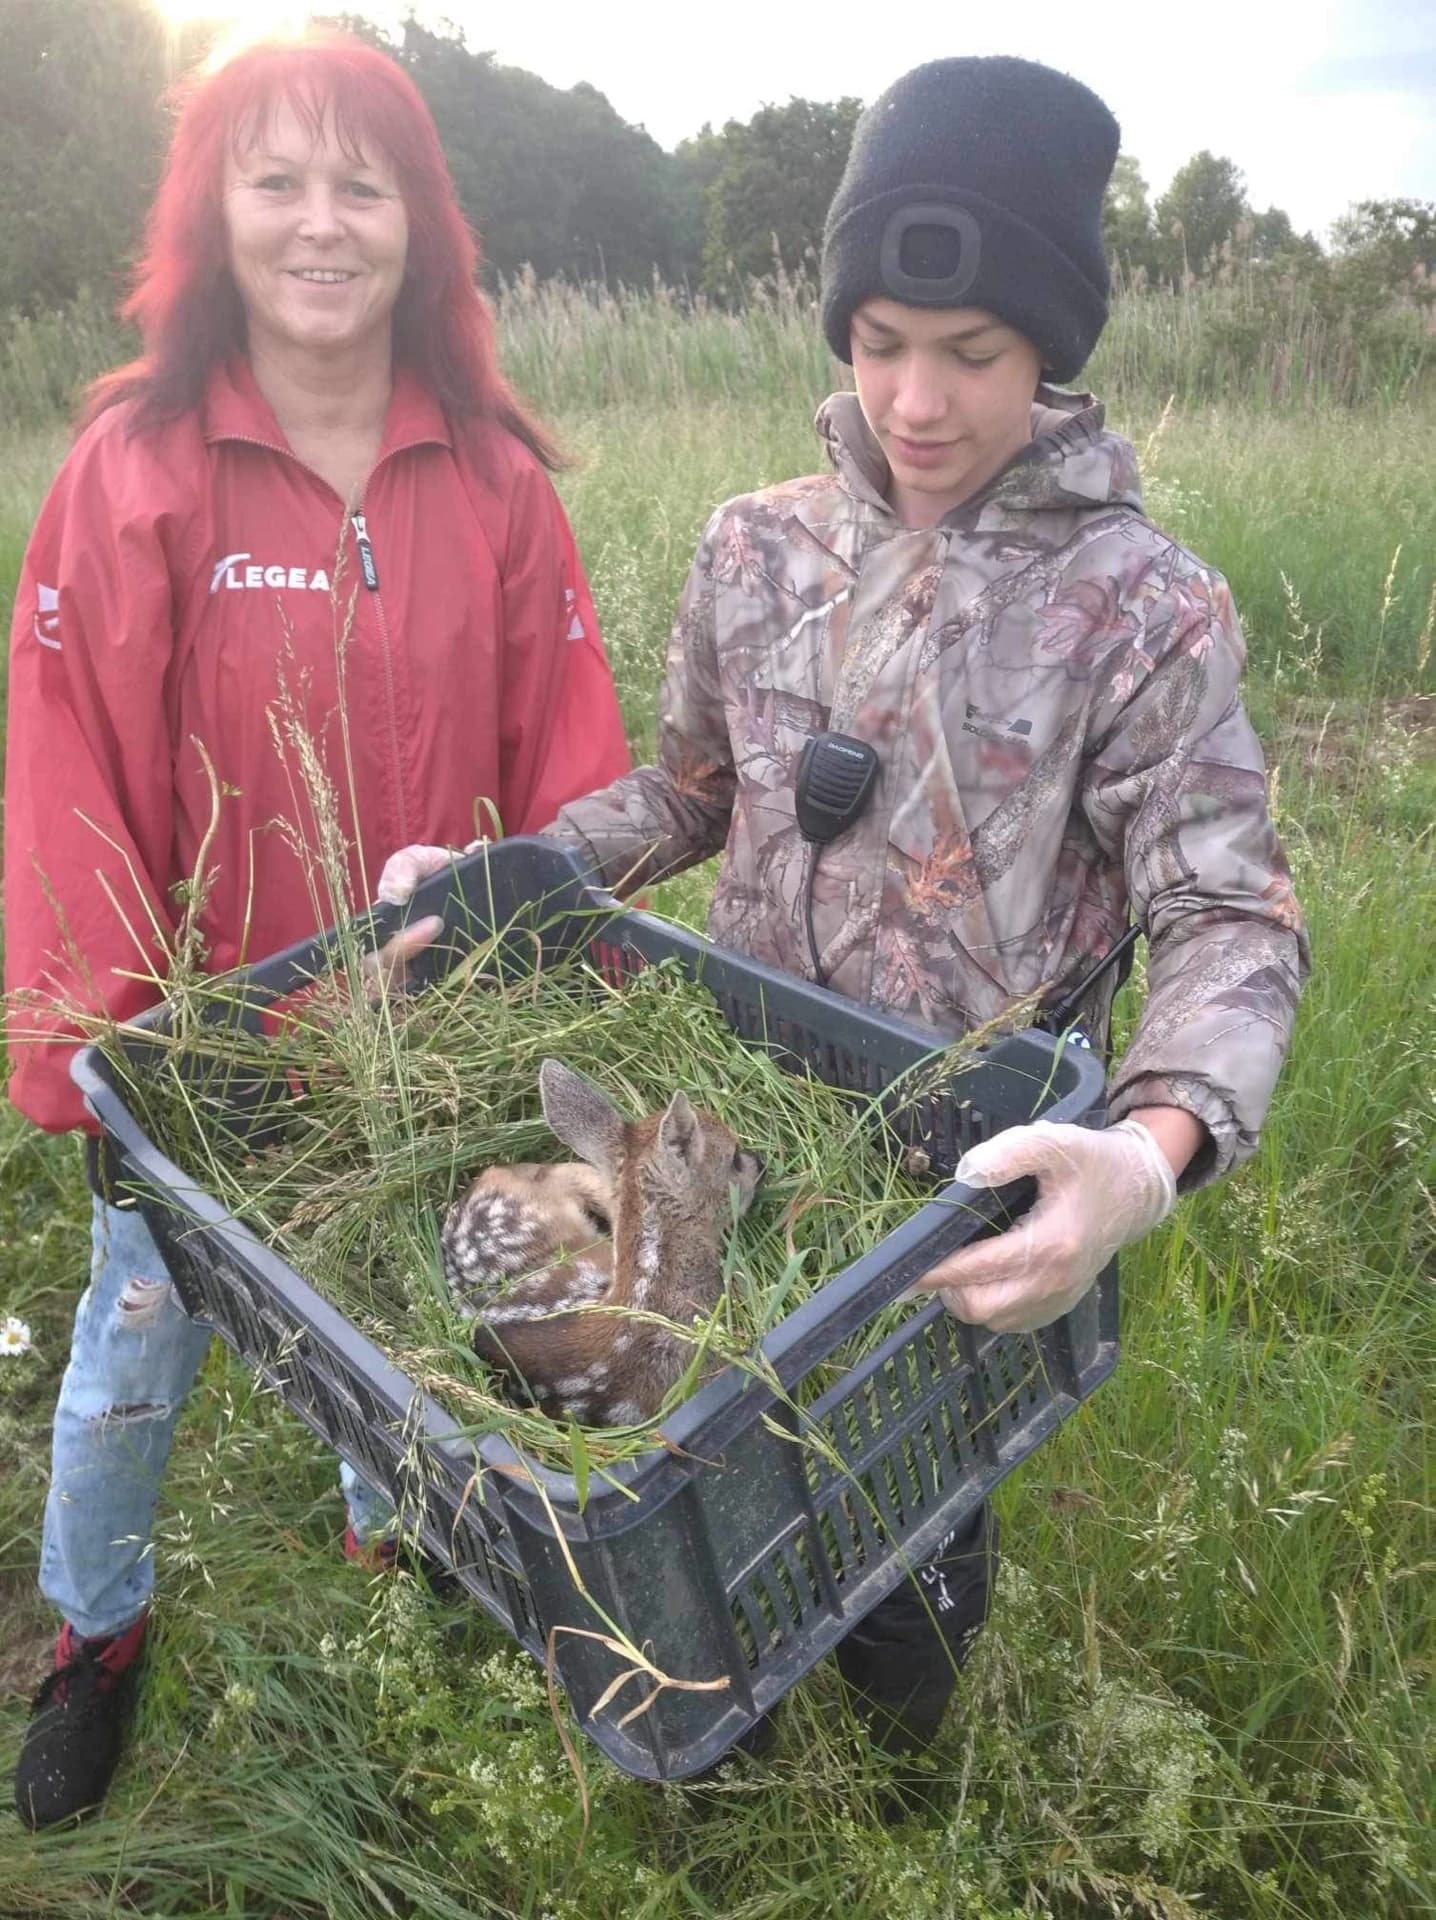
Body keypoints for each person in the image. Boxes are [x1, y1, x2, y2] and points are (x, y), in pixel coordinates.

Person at [380, 56, 1308, 1805]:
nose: (918, 399)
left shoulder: (1145, 610)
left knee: (905, 1530)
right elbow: (685, 792)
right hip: (724, 1133)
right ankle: (717, 1734)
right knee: (704, 1463)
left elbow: (1226, 910)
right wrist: (515, 873)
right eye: (880, 341)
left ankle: (893, 1786)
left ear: (1053, 347)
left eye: (974, 351)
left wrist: (1147, 1155)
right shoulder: (755, 551)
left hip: (947, 1186)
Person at [5, 32, 630, 1831]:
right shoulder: (136, 471)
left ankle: (388, 1534)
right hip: (204, 1058)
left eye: (362, 184)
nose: (320, 223)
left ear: (420, 220)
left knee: (394, 1310)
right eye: (274, 179)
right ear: (211, 211)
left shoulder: (496, 478)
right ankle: (97, 1634)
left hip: (426, 1038)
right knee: (131, 1363)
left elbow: (566, 761)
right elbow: (69, 777)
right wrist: (116, 1056)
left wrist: (546, 982)